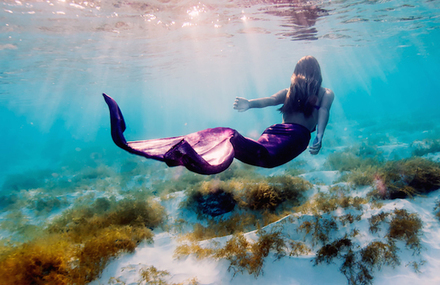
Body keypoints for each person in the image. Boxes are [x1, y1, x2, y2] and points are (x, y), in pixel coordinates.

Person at [103, 55, 334, 175]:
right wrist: (319, 135)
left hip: (275, 137)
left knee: (241, 146)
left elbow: (272, 100)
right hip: (292, 140)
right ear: (318, 72)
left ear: (296, 72)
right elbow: (322, 111)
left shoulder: (290, 91)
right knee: (239, 145)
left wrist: (250, 103)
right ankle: (187, 152)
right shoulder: (324, 93)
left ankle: (188, 151)